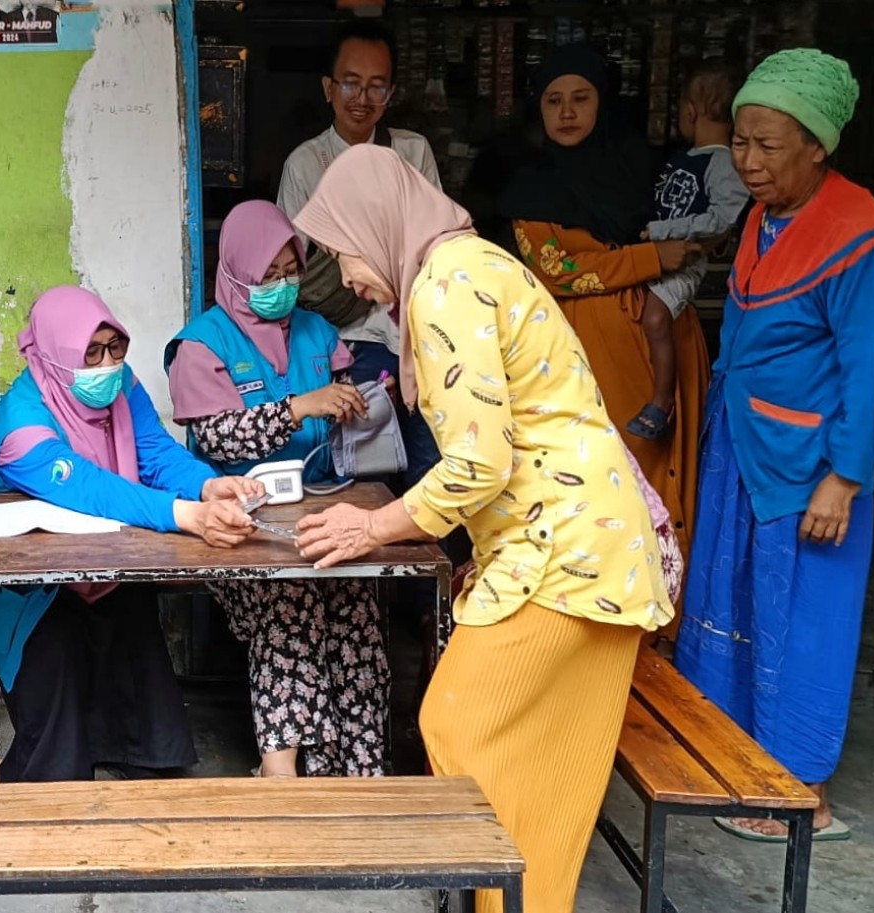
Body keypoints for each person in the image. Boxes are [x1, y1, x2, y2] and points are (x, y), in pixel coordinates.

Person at [291, 145, 679, 913]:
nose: (344, 276)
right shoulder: (477, 262)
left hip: (564, 547)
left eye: (342, 250)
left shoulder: (443, 286)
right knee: (554, 770)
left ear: (379, 225)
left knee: (458, 724)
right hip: (603, 544)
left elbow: (476, 462)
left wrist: (376, 528)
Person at [675, 49, 874, 844]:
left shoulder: (862, 233)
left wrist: (846, 476)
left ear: (818, 146)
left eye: (769, 145)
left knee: (803, 623)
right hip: (745, 448)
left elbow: (871, 368)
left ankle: (801, 792)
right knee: (733, 604)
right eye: (740, 142)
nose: (750, 162)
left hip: (809, 469)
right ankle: (736, 769)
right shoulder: (762, 218)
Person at [0, 286, 262, 783]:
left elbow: (155, 453)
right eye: (90, 353)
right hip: (20, 585)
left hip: (100, 561)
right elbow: (93, 490)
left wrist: (206, 484)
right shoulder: (20, 426)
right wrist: (185, 515)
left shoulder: (122, 384)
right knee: (57, 679)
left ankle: (135, 767)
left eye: (115, 348)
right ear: (56, 354)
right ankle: (51, 800)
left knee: (134, 634)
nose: (107, 364)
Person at [164, 200, 391, 778]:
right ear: (236, 272)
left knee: (354, 603)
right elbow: (216, 438)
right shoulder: (202, 344)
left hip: (320, 509)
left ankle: (357, 771)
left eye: (291, 273)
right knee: (290, 604)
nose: (282, 287)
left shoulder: (317, 329)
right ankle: (282, 769)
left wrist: (357, 404)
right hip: (237, 526)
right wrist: (296, 408)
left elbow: (343, 404)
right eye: (268, 277)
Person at [497, 44, 709, 604]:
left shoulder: (646, 171)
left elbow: (697, 238)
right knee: (600, 487)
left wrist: (665, 256)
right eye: (554, 100)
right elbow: (557, 271)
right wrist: (648, 258)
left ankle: (663, 630)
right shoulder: (529, 186)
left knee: (658, 487)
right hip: (583, 355)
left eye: (581, 98)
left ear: (603, 103)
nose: (567, 112)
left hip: (659, 346)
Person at [278, 20, 442, 486]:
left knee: (430, 465)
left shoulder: (413, 151)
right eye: (350, 83)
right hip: (343, 341)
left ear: (391, 93)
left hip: (414, 335)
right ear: (329, 88)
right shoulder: (305, 163)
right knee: (365, 471)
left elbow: (433, 247)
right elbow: (291, 270)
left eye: (377, 86)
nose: (362, 98)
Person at [630, 61, 750, 440]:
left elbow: (721, 219)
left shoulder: (724, 163)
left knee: (654, 319)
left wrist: (662, 230)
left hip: (685, 260)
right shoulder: (690, 157)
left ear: (689, 112)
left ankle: (661, 402)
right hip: (661, 249)